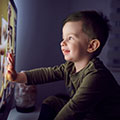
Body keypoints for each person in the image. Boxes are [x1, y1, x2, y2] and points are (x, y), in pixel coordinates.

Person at [6, 10, 120, 120]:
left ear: (92, 46)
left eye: (70, 38)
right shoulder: (70, 67)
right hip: (87, 113)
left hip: (101, 117)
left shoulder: (96, 76)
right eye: (63, 38)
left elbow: (73, 110)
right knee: (52, 101)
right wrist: (17, 77)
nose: (62, 43)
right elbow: (47, 73)